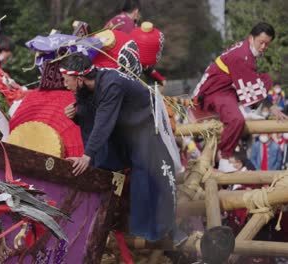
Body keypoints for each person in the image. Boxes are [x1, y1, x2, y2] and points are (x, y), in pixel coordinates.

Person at [60, 53, 178, 242]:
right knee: (102, 165)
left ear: (80, 78)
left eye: (67, 79)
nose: (64, 83)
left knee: (143, 173)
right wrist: (75, 115)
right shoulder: (84, 87)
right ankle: (106, 222)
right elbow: (88, 117)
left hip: (144, 124)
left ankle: (150, 232)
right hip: (122, 127)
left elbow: (102, 122)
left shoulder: (111, 84)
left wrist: (86, 156)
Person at [191, 22, 287, 163]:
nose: (263, 47)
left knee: (266, 79)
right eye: (261, 43)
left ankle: (248, 107)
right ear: (251, 38)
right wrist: (273, 108)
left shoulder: (246, 49)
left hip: (226, 89)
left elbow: (254, 84)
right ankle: (224, 155)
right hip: (212, 93)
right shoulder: (243, 56)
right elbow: (253, 86)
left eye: (267, 44)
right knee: (237, 120)